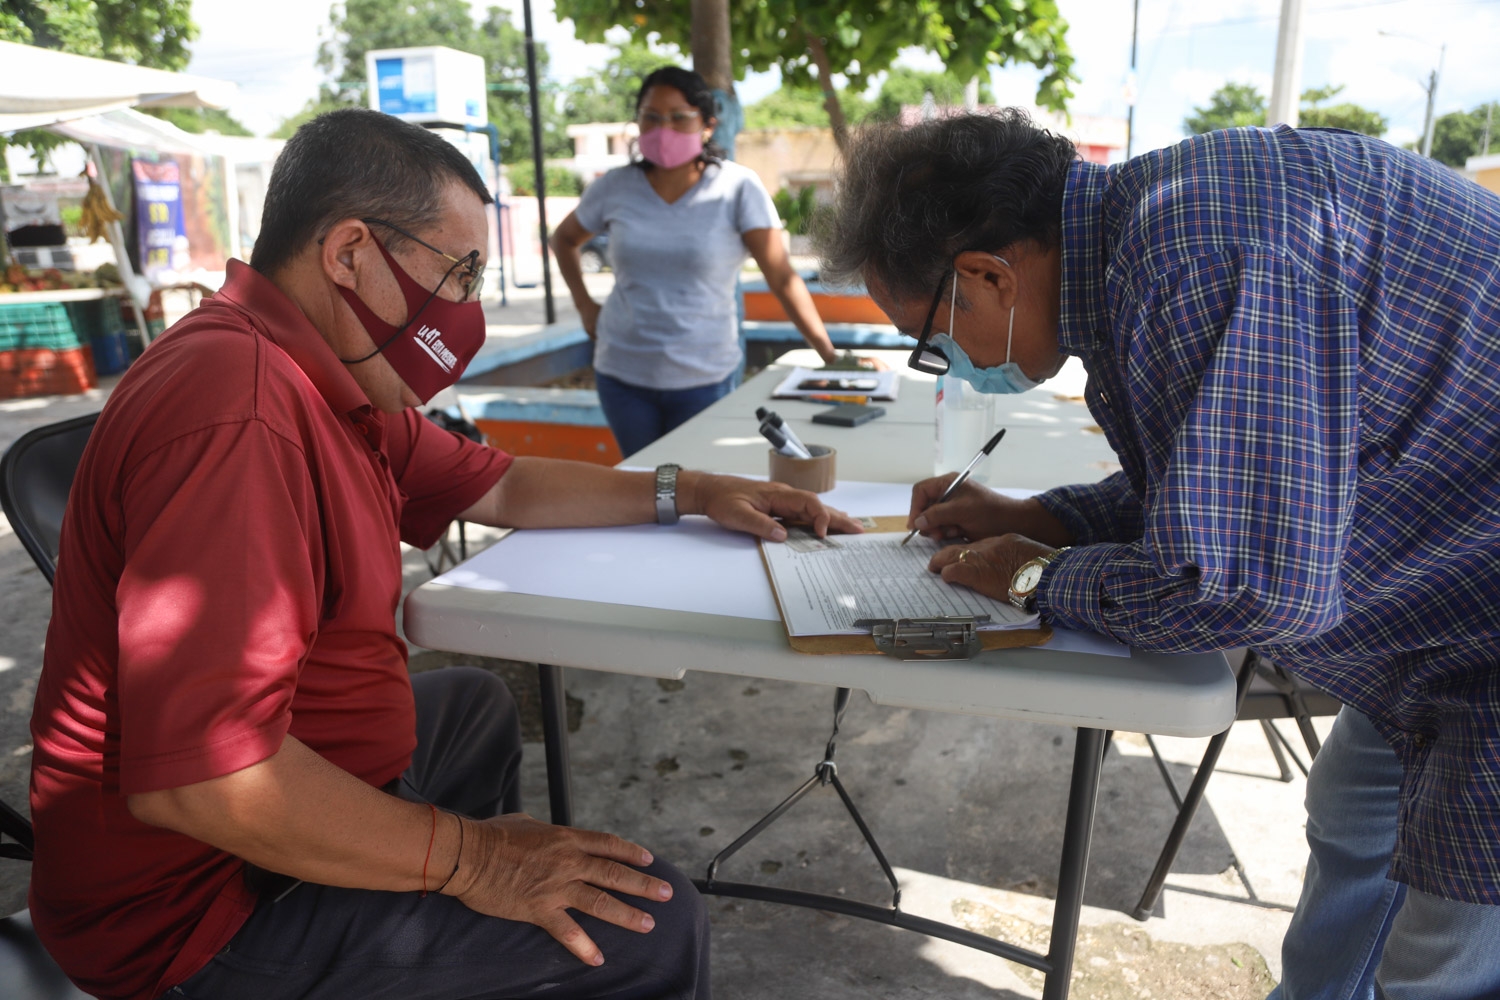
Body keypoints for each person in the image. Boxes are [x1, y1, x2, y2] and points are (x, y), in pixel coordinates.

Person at [28, 107, 861, 1000]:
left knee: (467, 706)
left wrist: (690, 490)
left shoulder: (328, 377)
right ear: (349, 254)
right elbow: (208, 779)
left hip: (281, 798)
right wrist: (473, 861)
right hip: (199, 908)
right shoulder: (239, 413)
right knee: (649, 929)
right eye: (458, 273)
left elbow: (501, 486)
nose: (465, 309)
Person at [814, 109, 1500, 999]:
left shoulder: (1202, 256)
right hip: (1421, 623)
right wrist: (1048, 516)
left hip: (1475, 630)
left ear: (987, 275)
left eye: (932, 344)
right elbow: (1234, 475)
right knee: (1351, 831)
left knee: (1442, 964)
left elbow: (1250, 588)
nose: (949, 368)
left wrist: (1032, 575)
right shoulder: (1155, 239)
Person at [551, 66, 855, 458]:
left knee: (697, 489)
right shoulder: (614, 188)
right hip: (622, 373)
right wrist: (584, 306)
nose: (664, 128)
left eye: (679, 117)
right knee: (643, 486)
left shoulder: (737, 188)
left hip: (705, 376)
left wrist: (829, 355)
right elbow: (563, 240)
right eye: (652, 117)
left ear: (707, 125)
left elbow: (781, 276)